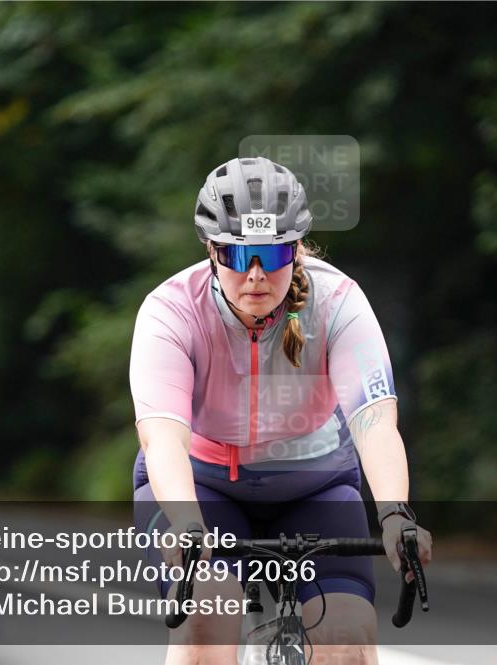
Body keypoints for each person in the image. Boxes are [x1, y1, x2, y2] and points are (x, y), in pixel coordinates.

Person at [131, 156, 432, 665]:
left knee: (348, 637)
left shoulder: (339, 302)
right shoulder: (170, 310)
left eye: (270, 254)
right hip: (204, 488)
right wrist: (185, 520)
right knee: (208, 619)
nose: (254, 275)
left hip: (313, 486)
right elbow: (162, 438)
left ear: (293, 249)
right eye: (235, 254)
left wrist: (394, 514)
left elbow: (375, 422)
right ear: (210, 250)